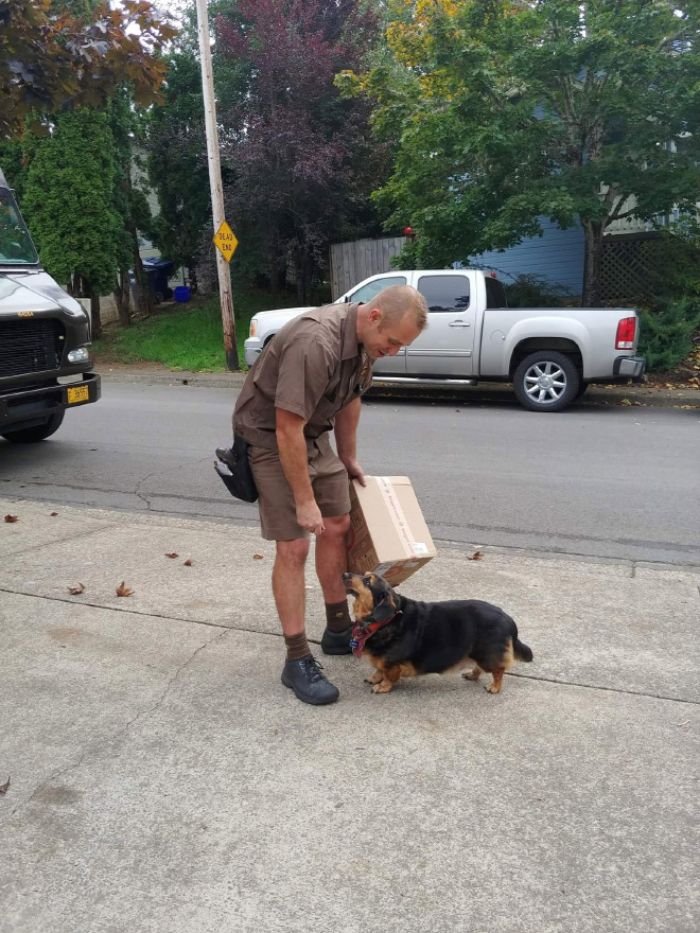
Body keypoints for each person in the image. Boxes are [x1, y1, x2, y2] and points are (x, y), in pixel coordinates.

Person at [231, 285, 428, 705]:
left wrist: (350, 457)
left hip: (314, 436)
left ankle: (339, 629)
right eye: (392, 342)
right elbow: (286, 427)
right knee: (294, 547)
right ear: (373, 316)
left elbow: (350, 399)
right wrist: (304, 500)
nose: (392, 351)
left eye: (401, 346)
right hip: (271, 440)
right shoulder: (314, 341)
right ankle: (296, 659)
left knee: (338, 525)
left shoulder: (364, 346)